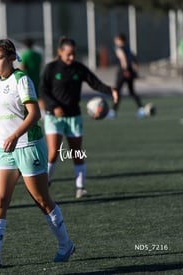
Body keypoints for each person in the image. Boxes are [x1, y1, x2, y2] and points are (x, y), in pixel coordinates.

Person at [0, 39, 74, 269]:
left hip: (29, 146)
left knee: (41, 200)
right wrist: (0, 134)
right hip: (6, 150)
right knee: (0, 199)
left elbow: (34, 113)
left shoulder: (21, 80)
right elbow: (7, 113)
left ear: (11, 58)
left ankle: (65, 245)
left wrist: (13, 136)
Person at [39, 37, 118, 199]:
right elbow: (43, 91)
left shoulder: (79, 68)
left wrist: (111, 90)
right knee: (53, 152)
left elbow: (95, 83)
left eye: (73, 54)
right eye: (68, 54)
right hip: (54, 117)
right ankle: (44, 183)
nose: (71, 57)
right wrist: (54, 107)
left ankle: (80, 187)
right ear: (60, 52)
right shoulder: (51, 68)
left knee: (76, 153)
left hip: (74, 116)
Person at [107, 33, 144, 119]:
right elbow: (134, 60)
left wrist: (125, 70)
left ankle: (113, 111)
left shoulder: (119, 49)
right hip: (130, 72)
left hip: (123, 73)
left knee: (117, 92)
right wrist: (135, 72)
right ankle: (141, 108)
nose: (115, 41)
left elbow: (123, 59)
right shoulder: (128, 49)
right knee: (132, 91)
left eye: (116, 39)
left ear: (120, 40)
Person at [19, 38, 43, 110]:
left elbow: (22, 67)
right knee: (39, 97)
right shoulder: (38, 55)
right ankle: (42, 112)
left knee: (28, 97)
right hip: (37, 78)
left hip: (28, 79)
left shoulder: (25, 55)